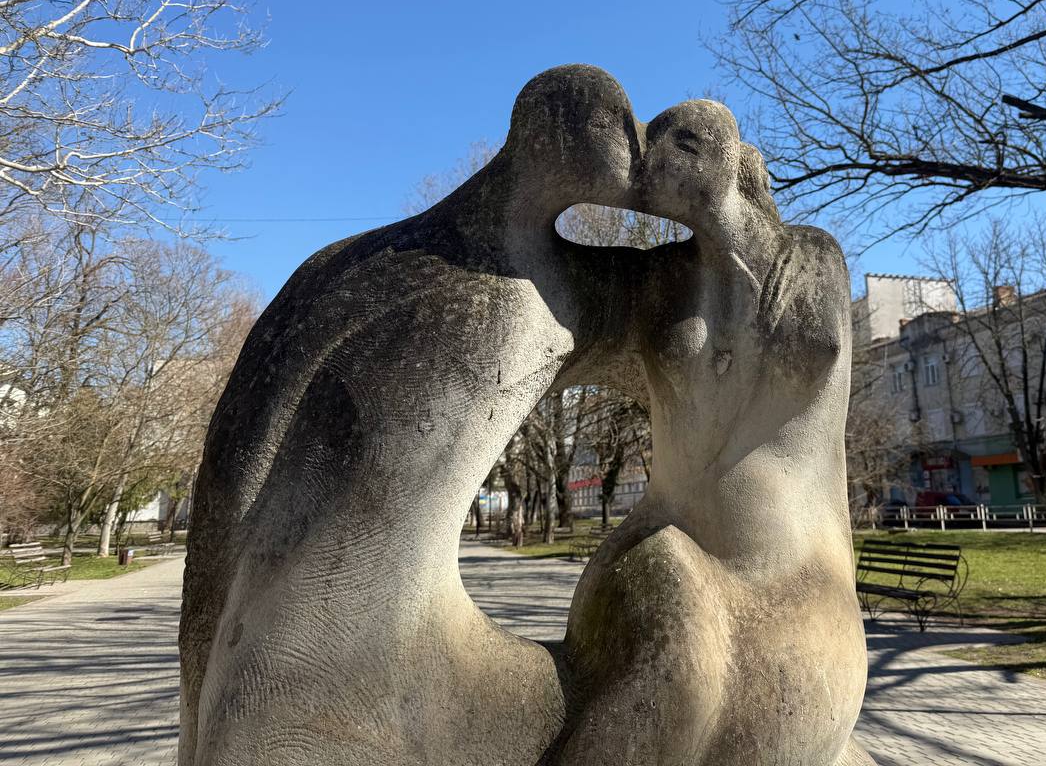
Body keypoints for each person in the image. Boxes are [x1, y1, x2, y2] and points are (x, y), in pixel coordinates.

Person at [180, 65, 652, 766]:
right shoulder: (539, 292)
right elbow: (230, 481)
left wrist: (201, 677)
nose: (641, 152)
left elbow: (228, 488)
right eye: (622, 127)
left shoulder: (566, 288)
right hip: (327, 678)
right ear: (551, 130)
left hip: (284, 671)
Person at [553, 99, 874, 765]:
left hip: (798, 584)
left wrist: (728, 227)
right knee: (670, 607)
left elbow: (813, 344)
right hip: (666, 555)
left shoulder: (811, 258)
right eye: (658, 144)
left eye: (688, 141)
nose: (663, 156)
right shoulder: (662, 282)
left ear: (731, 160)